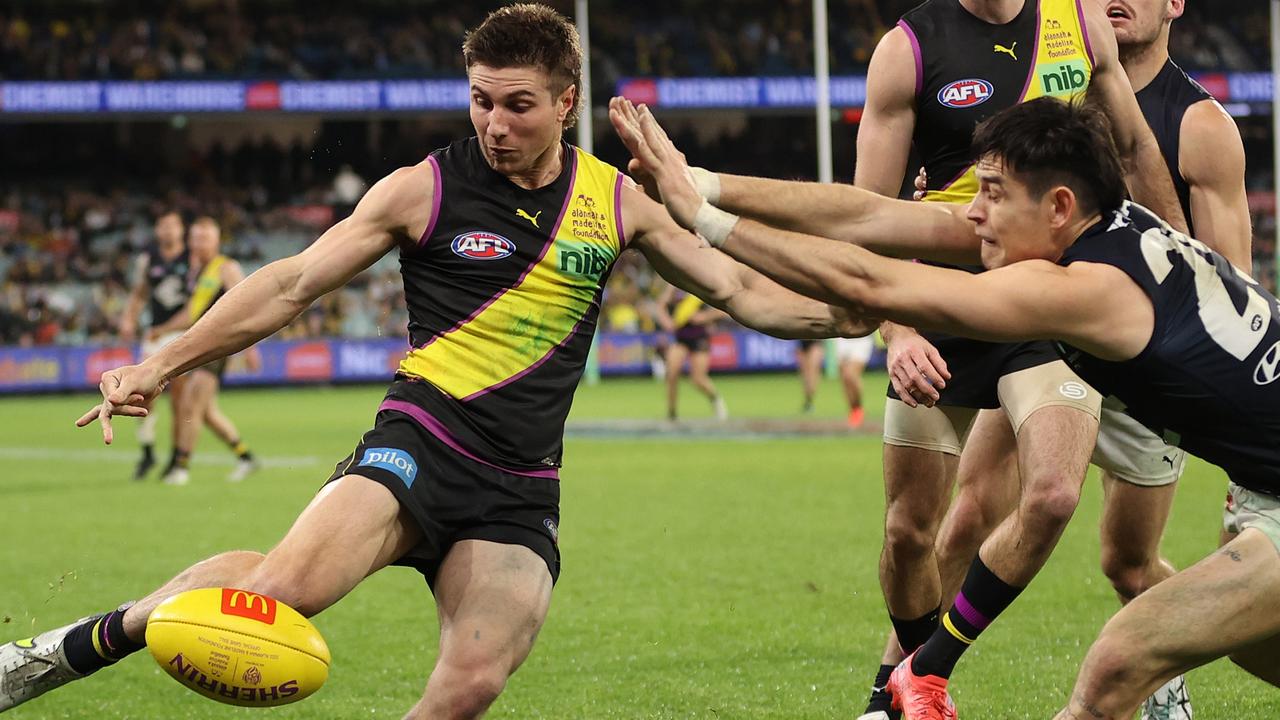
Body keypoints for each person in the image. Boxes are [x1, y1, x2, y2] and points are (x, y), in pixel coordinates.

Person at [0, 6, 859, 717]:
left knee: (470, 685)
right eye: (481, 100)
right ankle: (70, 648)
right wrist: (160, 363)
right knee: (280, 592)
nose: (494, 122)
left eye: (518, 104)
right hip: (420, 441)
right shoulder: (425, 187)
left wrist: (858, 309)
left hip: (520, 485)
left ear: (567, 103)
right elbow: (292, 283)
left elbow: (743, 294)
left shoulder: (618, 202)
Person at [619, 93, 1280, 720]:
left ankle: (920, 674)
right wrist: (703, 182)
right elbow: (867, 216)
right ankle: (922, 671)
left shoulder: (1086, 288)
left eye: (991, 193)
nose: (972, 211)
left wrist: (701, 219)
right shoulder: (1101, 228)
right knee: (1255, 650)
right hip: (1260, 488)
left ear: (1056, 205)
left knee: (1119, 660)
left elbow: (870, 278)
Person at [922, 1, 1252, 716]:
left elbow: (1230, 278)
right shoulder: (1054, 96)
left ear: (1176, 5)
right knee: (971, 512)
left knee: (1127, 564)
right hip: (1054, 348)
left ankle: (1165, 678)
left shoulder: (1199, 126)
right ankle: (905, 684)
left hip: (1149, 370)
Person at [145, 216, 261, 486]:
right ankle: (246, 458)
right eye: (195, 238)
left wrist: (251, 347)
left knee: (190, 405)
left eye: (204, 238)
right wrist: (163, 329)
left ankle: (180, 468)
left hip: (220, 346)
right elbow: (191, 314)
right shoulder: (199, 272)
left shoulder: (227, 268)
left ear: (217, 240)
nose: (199, 243)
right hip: (204, 346)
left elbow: (251, 304)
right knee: (205, 411)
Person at [119, 210, 192, 481]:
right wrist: (128, 318)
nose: (167, 230)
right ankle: (148, 450)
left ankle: (177, 458)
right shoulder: (148, 259)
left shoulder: (192, 258)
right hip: (154, 336)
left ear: (182, 229)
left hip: (185, 334)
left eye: (172, 225)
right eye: (162, 225)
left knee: (180, 401)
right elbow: (140, 293)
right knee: (143, 396)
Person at [654, 282, 730, 421]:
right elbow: (660, 305)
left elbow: (722, 310)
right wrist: (666, 322)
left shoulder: (700, 284)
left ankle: (715, 399)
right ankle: (672, 414)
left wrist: (704, 317)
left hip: (699, 338)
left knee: (698, 379)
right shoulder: (674, 285)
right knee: (671, 373)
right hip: (681, 338)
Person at [836, 336, 876, 428]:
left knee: (851, 374)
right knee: (845, 378)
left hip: (861, 338)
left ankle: (858, 408)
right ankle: (853, 410)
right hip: (843, 337)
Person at [795, 339, 824, 414]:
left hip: (815, 342)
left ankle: (809, 401)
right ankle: (808, 401)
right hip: (802, 343)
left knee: (812, 373)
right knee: (805, 377)